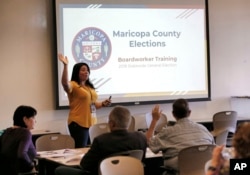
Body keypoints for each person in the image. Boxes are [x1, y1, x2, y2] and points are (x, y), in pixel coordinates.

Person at [55, 105, 148, 175]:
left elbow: (84, 165)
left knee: (59, 170)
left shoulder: (101, 140)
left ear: (112, 124)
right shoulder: (140, 138)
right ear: (128, 122)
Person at [146, 98, 215, 172]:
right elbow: (213, 147)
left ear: (173, 114)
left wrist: (154, 120)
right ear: (189, 112)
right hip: (204, 168)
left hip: (180, 169)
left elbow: (149, 142)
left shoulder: (168, 132)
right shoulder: (203, 128)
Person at [58, 54, 111, 148]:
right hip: (78, 124)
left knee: (90, 150)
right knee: (80, 150)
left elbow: (92, 105)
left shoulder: (89, 87)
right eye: (83, 70)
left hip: (91, 123)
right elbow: (65, 83)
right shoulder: (73, 85)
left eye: (87, 70)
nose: (86, 72)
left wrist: (103, 104)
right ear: (76, 72)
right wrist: (65, 66)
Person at [0, 105, 37, 175]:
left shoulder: (6, 131)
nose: (35, 121)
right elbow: (22, 154)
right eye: (33, 117)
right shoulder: (25, 132)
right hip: (22, 172)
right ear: (25, 119)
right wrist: (31, 166)